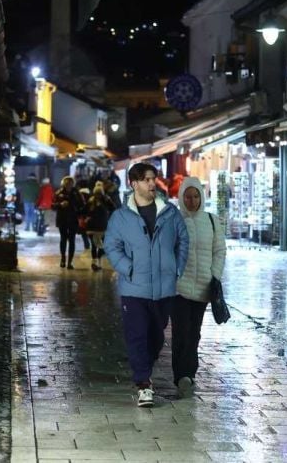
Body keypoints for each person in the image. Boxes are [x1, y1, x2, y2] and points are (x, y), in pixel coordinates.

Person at [105, 162, 189, 408]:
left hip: (164, 288)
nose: (152, 183)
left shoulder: (170, 213)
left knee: (156, 336)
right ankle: (143, 384)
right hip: (134, 288)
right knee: (137, 335)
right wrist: (127, 267)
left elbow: (183, 240)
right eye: (146, 180)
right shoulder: (121, 217)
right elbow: (112, 246)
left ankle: (144, 368)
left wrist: (177, 267)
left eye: (153, 179)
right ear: (134, 184)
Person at [172, 177, 226, 396]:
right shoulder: (173, 221)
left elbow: (219, 250)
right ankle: (181, 376)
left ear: (201, 197)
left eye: (196, 196)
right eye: (188, 196)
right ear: (182, 197)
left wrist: (214, 274)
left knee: (194, 332)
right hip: (179, 288)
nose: (192, 201)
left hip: (204, 287)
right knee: (181, 331)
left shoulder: (212, 221)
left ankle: (190, 374)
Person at [52, 176, 85, 269]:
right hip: (62, 219)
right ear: (63, 184)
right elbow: (52, 205)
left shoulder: (76, 193)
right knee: (63, 239)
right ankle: (63, 259)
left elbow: (82, 205)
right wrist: (60, 205)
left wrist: (77, 211)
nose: (68, 185)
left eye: (70, 183)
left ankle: (70, 262)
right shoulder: (59, 193)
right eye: (66, 183)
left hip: (73, 220)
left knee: (72, 240)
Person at [84, 181, 115, 271]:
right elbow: (85, 210)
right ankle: (95, 262)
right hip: (96, 227)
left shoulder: (105, 200)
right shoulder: (92, 201)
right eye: (96, 194)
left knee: (103, 246)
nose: (98, 195)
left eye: (99, 194)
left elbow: (113, 208)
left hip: (101, 227)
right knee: (95, 246)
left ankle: (96, 261)